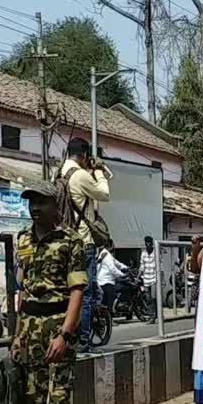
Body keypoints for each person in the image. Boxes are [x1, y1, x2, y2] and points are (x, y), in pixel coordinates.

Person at [12, 181, 86, 404]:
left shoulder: (71, 242)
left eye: (41, 202)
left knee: (56, 403)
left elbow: (77, 292)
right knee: (37, 399)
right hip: (30, 329)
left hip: (58, 328)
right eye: (31, 202)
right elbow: (23, 290)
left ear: (56, 206)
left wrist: (65, 334)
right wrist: (17, 335)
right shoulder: (23, 240)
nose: (35, 208)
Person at [59, 137, 112, 352]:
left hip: (65, 241)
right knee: (86, 293)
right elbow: (105, 194)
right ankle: (84, 341)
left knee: (68, 291)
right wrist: (98, 171)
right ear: (83, 156)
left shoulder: (60, 173)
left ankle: (68, 336)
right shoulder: (81, 175)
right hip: (83, 242)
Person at [97, 240, 128, 310]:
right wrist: (122, 275)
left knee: (106, 302)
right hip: (106, 282)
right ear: (110, 246)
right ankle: (109, 317)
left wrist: (126, 267)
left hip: (103, 281)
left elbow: (116, 262)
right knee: (108, 304)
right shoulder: (107, 255)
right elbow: (113, 269)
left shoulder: (105, 253)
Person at [139, 236, 158, 324]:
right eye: (146, 245)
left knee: (154, 297)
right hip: (146, 279)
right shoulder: (143, 254)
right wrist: (138, 276)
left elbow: (159, 266)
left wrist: (161, 278)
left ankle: (155, 315)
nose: (148, 247)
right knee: (148, 299)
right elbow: (142, 266)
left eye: (149, 245)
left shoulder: (156, 253)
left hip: (154, 278)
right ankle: (152, 316)